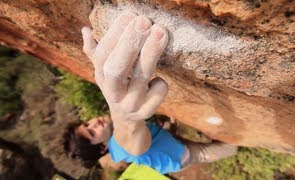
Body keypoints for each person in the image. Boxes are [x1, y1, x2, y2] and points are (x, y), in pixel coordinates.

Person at [63, 11, 237, 174]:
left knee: (170, 128)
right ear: (102, 148)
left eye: (87, 125)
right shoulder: (122, 146)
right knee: (230, 148)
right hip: (182, 157)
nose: (94, 124)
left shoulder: (115, 137)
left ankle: (173, 131)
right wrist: (125, 117)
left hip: (164, 140)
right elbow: (130, 137)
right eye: (92, 133)